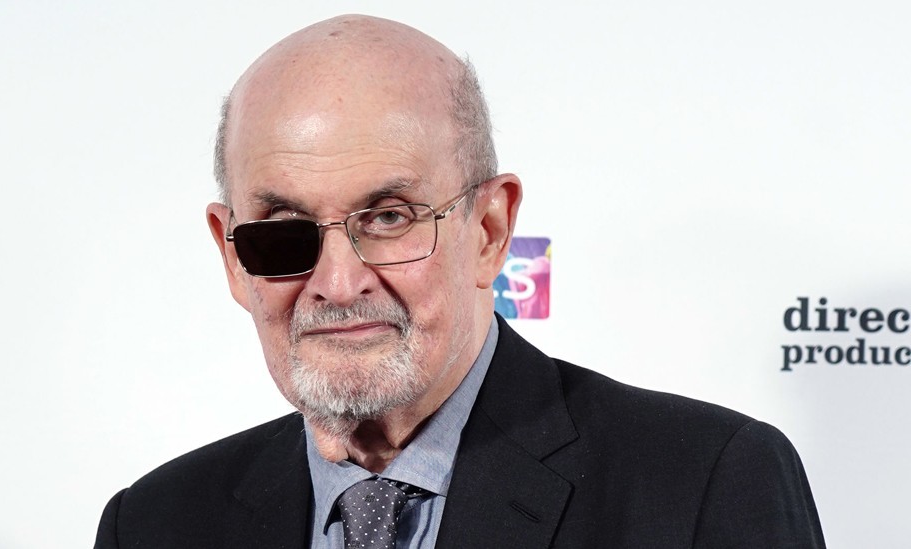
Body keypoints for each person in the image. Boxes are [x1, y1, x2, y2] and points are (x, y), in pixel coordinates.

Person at [95, 14, 825, 549]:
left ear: (489, 230)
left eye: (389, 217)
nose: (338, 283)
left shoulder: (702, 487)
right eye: (284, 229)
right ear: (232, 256)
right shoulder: (155, 524)